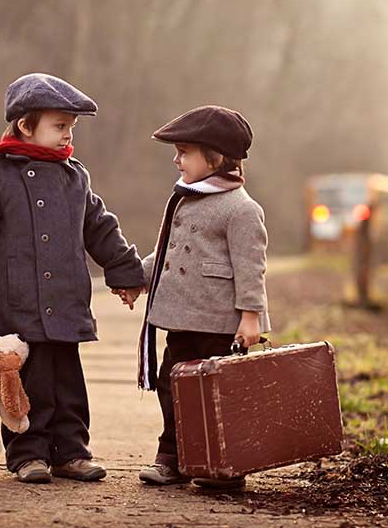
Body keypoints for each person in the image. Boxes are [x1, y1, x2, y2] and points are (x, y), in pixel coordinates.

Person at [0, 73, 145, 484]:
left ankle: (72, 452)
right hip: (16, 305)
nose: (67, 136)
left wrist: (124, 271)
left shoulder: (74, 176)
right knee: (25, 386)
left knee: (68, 385)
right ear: (25, 125)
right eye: (59, 126)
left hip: (65, 301)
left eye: (71, 127)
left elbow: (100, 227)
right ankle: (28, 454)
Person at [115, 105, 271, 489]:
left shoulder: (242, 209)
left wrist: (250, 316)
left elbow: (252, 267)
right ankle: (173, 456)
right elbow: (167, 251)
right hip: (181, 318)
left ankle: (226, 465)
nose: (176, 159)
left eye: (184, 151)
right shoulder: (185, 199)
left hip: (220, 325)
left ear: (214, 157)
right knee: (172, 384)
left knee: (219, 395)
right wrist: (139, 279)